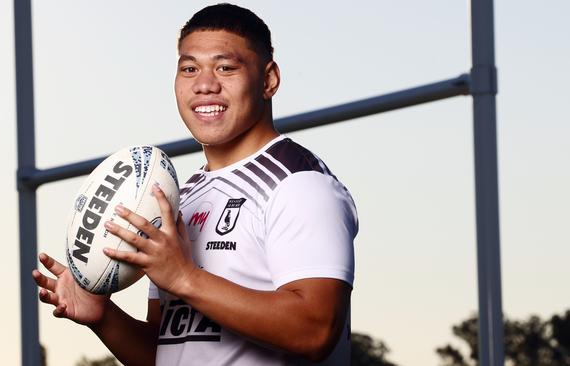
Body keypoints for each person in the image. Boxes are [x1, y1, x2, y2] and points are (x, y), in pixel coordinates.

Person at [33, 3, 358, 365]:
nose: (204, 84)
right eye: (189, 68)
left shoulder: (300, 184)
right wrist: (104, 317)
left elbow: (314, 331)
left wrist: (185, 277)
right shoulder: (179, 199)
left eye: (225, 67)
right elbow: (168, 352)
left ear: (268, 80)